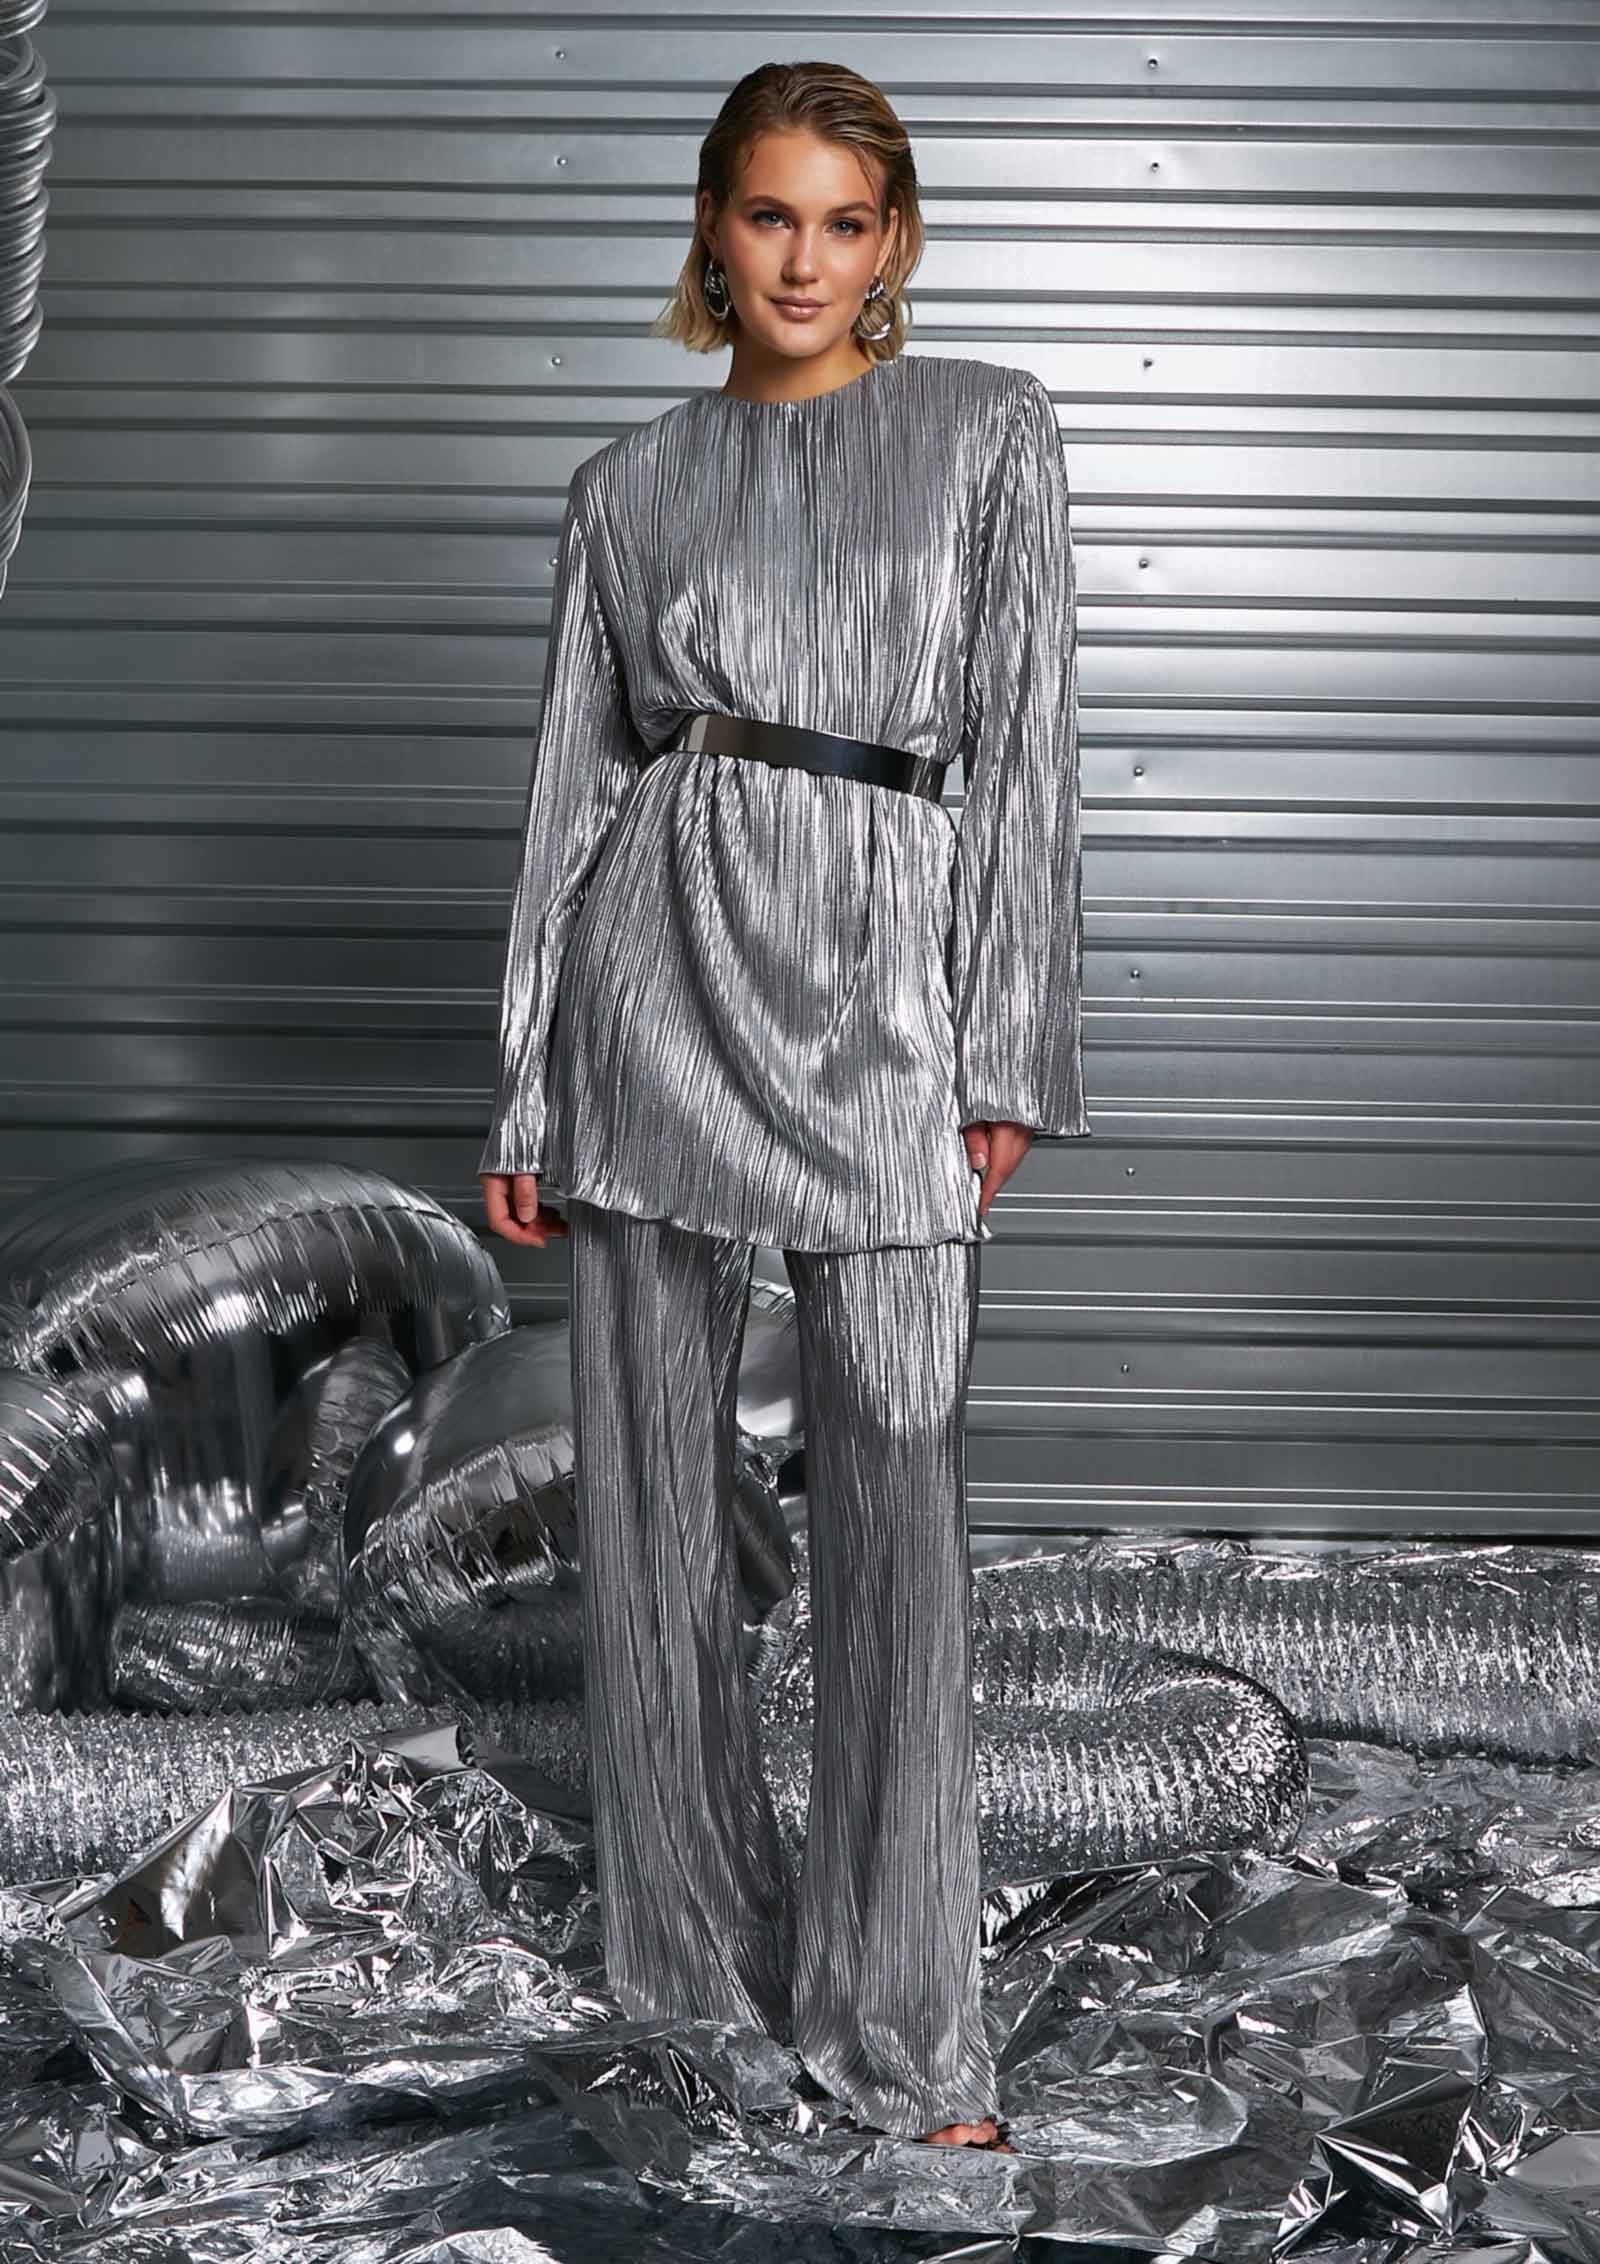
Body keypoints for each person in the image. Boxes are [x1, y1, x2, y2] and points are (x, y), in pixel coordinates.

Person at [478, 61, 1089, 2152]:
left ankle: (903, 2027)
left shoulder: (988, 433)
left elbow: (1026, 750)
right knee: (652, 1506)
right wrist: (529, 1078)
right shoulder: (624, 486)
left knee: (897, 1478)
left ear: (892, 241)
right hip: (656, 979)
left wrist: (1004, 1042)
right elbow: (572, 792)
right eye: (767, 216)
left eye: (842, 221)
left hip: (891, 983)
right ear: (711, 232)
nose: (803, 261)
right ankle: (686, 1974)